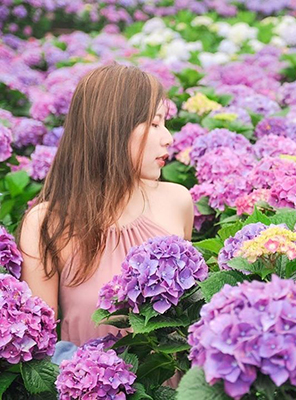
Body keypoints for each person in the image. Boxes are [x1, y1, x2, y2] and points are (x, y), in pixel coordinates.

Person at [17, 64, 194, 347]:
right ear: (113, 128)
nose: (168, 138)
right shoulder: (46, 222)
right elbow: (41, 350)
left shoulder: (178, 201)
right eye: (154, 123)